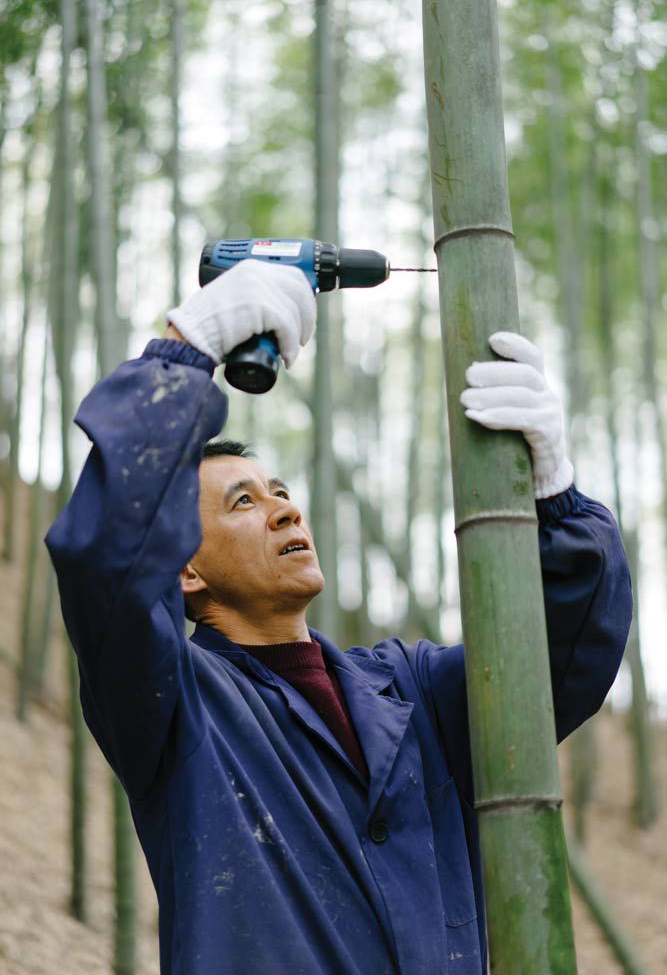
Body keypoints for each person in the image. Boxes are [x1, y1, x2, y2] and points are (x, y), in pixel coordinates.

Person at [46, 259, 632, 975]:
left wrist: (553, 496)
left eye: (280, 490)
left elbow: (556, 664)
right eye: (243, 503)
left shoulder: (413, 690)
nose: (285, 507)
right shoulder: (176, 706)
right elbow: (107, 558)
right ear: (184, 570)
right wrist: (184, 353)